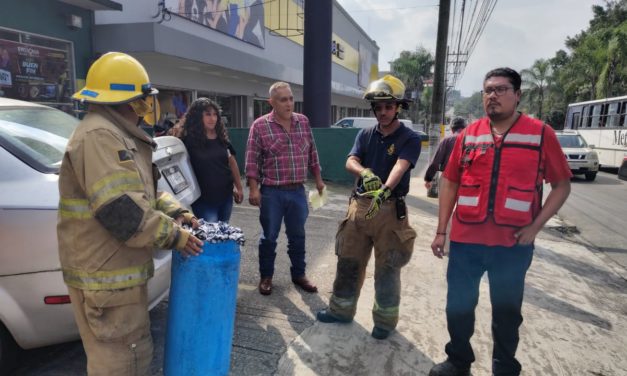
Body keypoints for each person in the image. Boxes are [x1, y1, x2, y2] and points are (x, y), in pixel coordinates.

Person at [57, 52, 204, 375]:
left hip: (113, 278)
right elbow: (123, 212)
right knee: (123, 363)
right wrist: (176, 236)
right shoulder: (100, 137)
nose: (146, 108)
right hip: (106, 282)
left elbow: (143, 194)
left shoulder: (116, 134)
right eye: (141, 100)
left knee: (130, 355)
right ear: (127, 101)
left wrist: (177, 211)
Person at [428, 67, 572, 376]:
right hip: (466, 240)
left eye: (501, 89)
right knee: (459, 306)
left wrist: (535, 228)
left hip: (512, 244)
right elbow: (451, 181)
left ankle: (505, 367)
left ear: (517, 95)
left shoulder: (540, 134)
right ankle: (458, 361)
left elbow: (562, 185)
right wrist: (442, 231)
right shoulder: (470, 133)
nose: (492, 95)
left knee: (507, 313)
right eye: (488, 90)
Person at [316, 74, 421, 340]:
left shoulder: (409, 138)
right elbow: (350, 160)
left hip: (390, 212)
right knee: (348, 262)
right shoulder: (365, 134)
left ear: (397, 107)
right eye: (378, 107)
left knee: (387, 268)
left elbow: (401, 165)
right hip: (359, 208)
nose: (383, 112)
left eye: (388, 106)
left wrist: (385, 188)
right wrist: (364, 173)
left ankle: (384, 323)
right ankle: (340, 311)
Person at [245, 81, 325, 296]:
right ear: (272, 102)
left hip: (298, 191)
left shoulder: (303, 122)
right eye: (283, 99)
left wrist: (318, 179)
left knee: (298, 236)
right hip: (272, 192)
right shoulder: (260, 126)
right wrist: (254, 189)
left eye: (290, 98)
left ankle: (299, 274)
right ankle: (266, 277)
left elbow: (312, 153)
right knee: (269, 237)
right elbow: (252, 160)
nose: (289, 103)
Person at [181, 97, 243, 223]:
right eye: (207, 114)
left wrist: (239, 187)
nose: (212, 118)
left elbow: (232, 162)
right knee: (210, 236)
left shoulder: (221, 138)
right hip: (203, 201)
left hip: (226, 197)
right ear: (197, 116)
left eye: (215, 114)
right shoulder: (188, 140)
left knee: (223, 233)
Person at [424, 117, 466, 196]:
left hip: (448, 178)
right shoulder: (471, 140)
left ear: (452, 129)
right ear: (465, 128)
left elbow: (435, 162)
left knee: (445, 207)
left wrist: (428, 179)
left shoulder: (447, 140)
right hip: (467, 180)